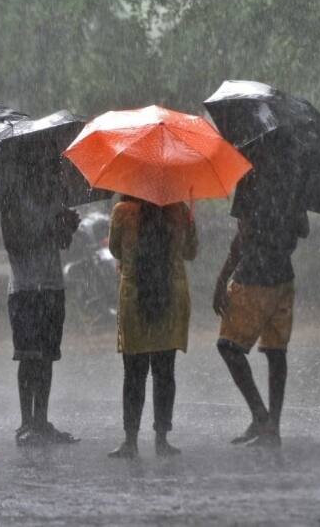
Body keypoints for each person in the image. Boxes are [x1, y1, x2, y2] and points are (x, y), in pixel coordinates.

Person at [212, 141, 309, 448]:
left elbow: (243, 236)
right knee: (276, 351)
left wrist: (221, 278)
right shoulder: (292, 181)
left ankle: (260, 415)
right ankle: (273, 427)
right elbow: (303, 230)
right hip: (283, 278)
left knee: (228, 347)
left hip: (254, 277)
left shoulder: (250, 178)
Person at [107, 196, 198, 458]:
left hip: (135, 298)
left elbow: (115, 250)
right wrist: (189, 225)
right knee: (164, 371)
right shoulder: (179, 210)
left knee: (133, 374)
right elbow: (190, 253)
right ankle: (161, 439)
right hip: (170, 297)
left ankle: (131, 441)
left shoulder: (123, 211)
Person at [0, 157, 81, 446]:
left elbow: (60, 244)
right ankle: (26, 422)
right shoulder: (12, 198)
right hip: (24, 287)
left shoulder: (55, 196)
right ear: (34, 165)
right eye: (51, 166)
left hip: (51, 285)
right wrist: (49, 229)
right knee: (28, 356)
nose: (56, 172)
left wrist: (67, 228)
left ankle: (41, 420)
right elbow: (13, 243)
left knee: (46, 357)